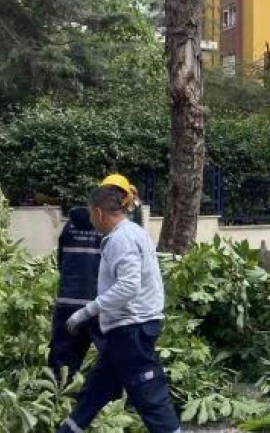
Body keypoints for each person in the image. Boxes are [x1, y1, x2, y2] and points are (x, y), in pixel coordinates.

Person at [58, 185, 179, 433]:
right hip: (126, 330)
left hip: (131, 329)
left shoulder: (120, 239)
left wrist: (87, 311)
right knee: (96, 389)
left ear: (99, 212)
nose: (92, 221)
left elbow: (128, 287)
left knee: (149, 393)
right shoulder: (134, 232)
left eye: (92, 214)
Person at [48, 206, 103, 381]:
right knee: (113, 355)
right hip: (100, 304)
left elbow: (61, 262)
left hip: (68, 300)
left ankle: (59, 397)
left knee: (63, 359)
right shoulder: (109, 229)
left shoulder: (69, 226)